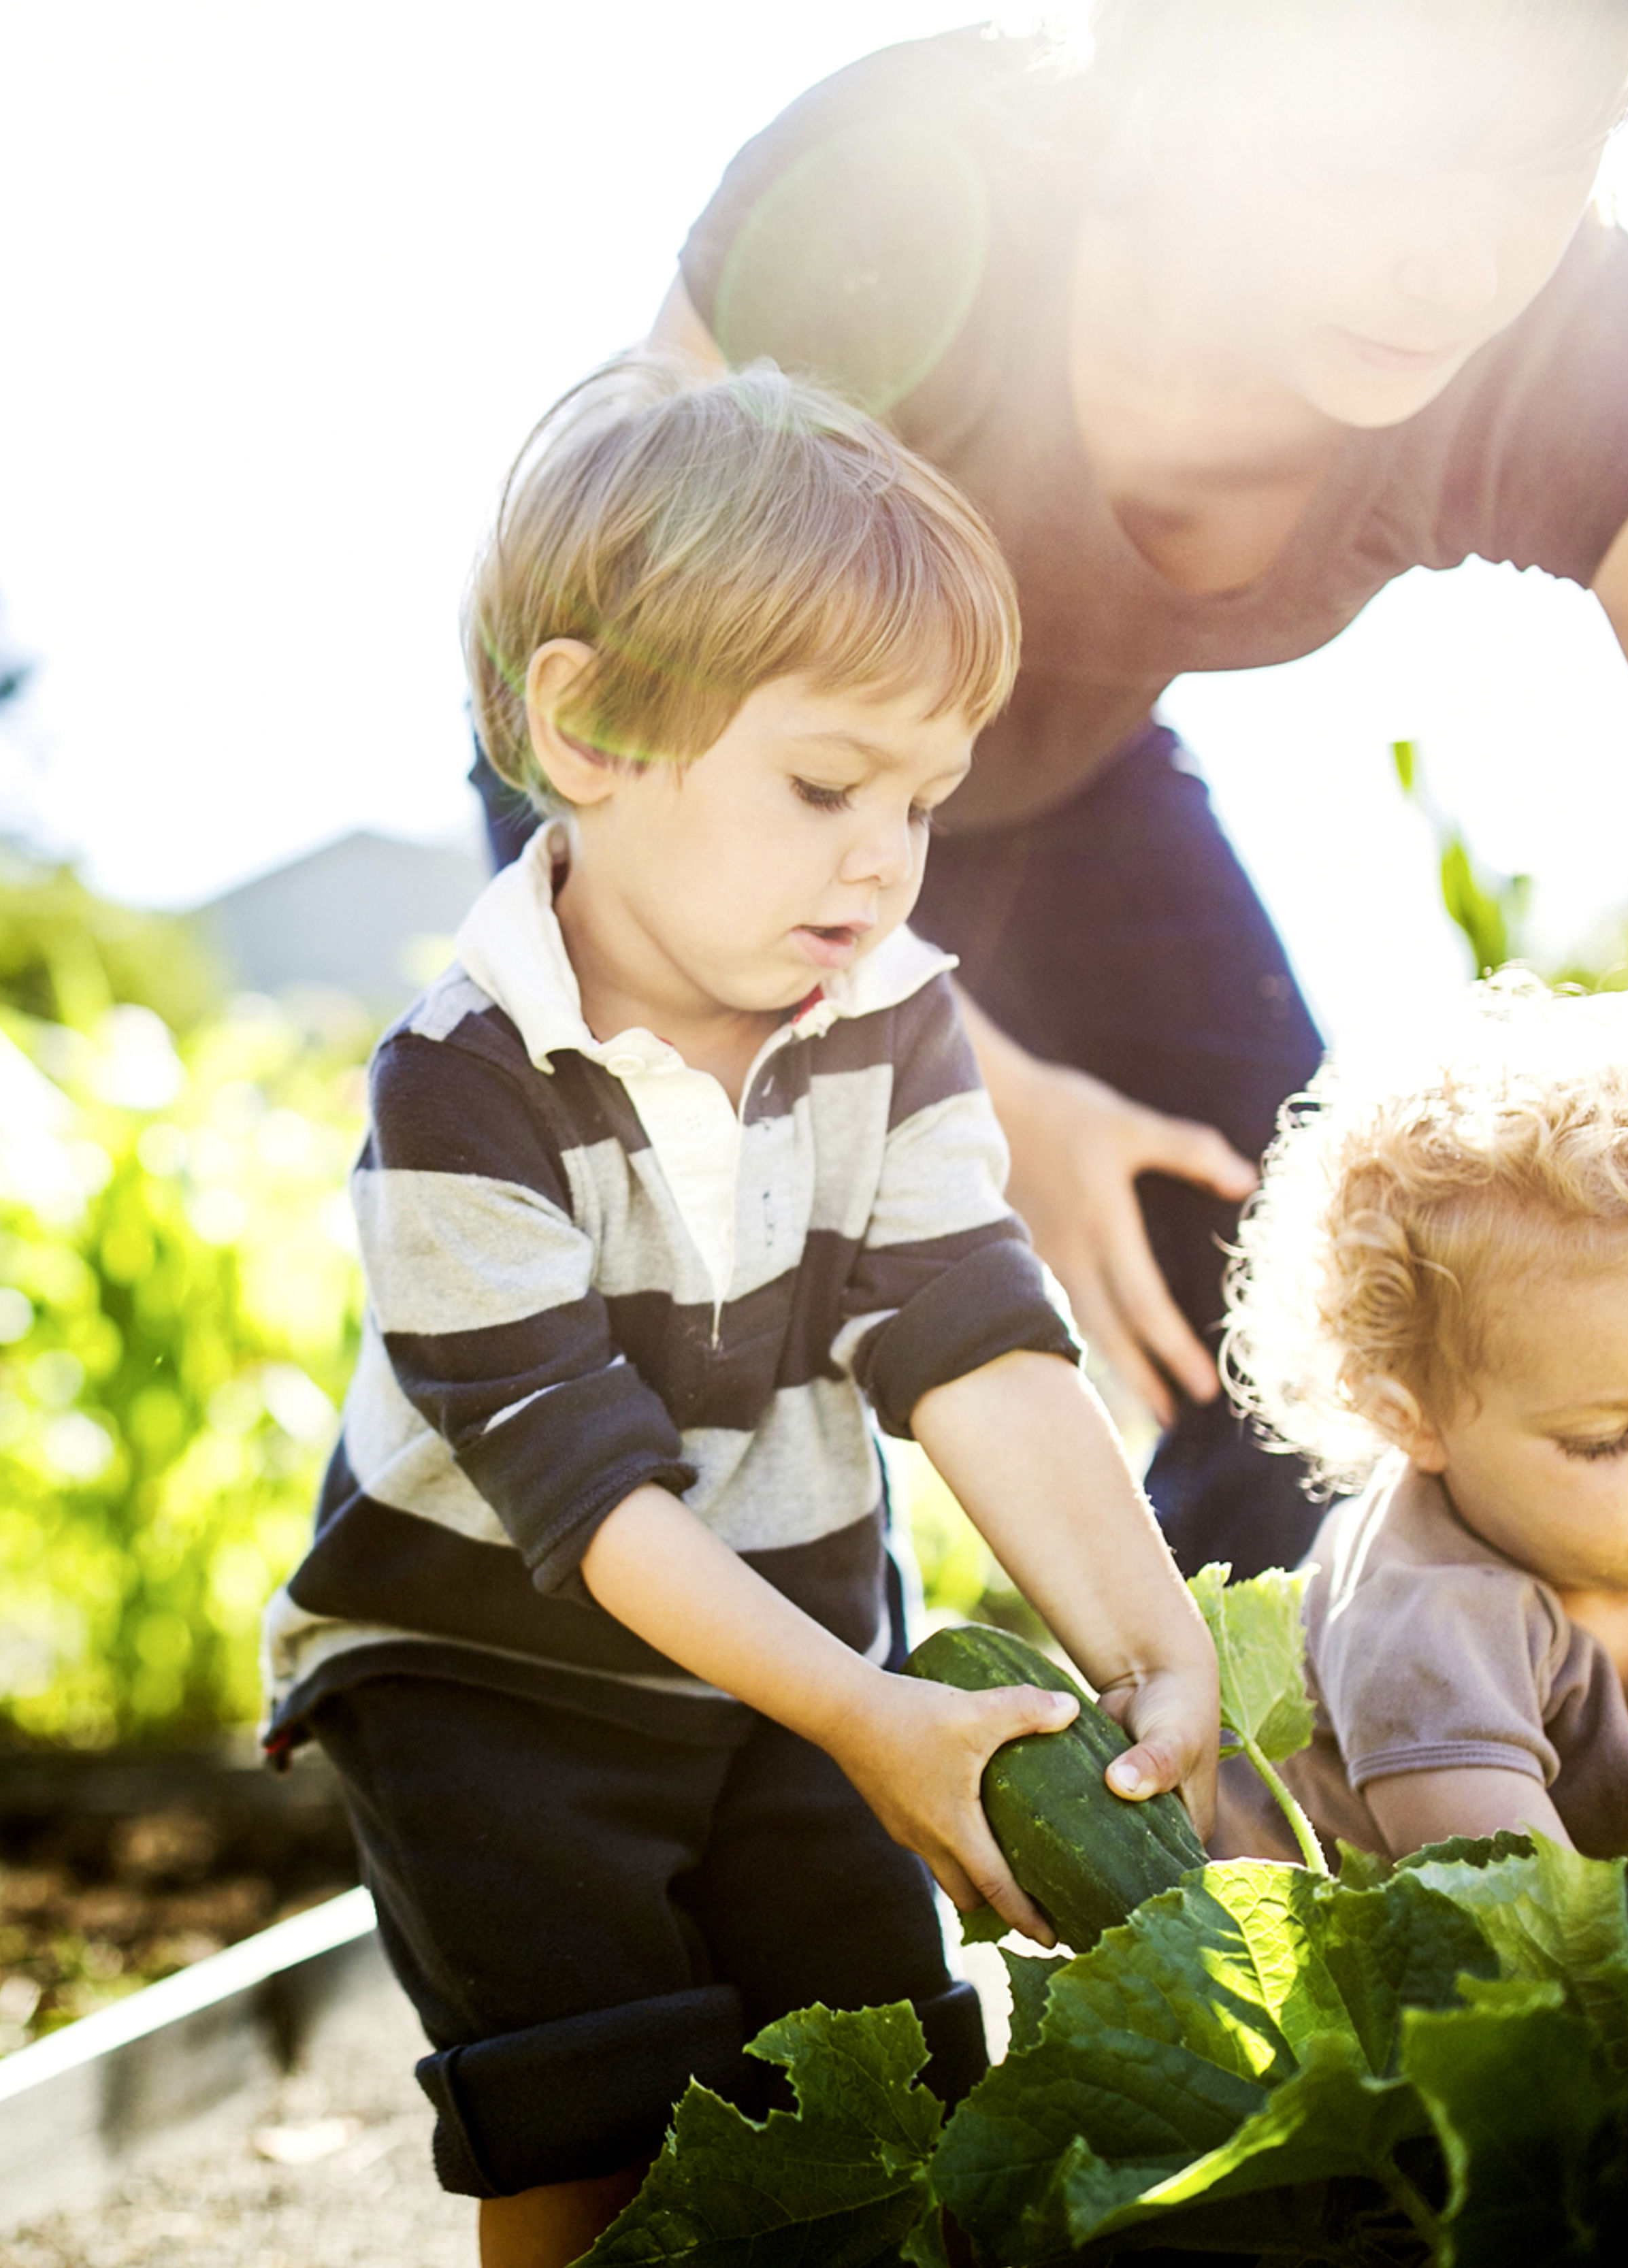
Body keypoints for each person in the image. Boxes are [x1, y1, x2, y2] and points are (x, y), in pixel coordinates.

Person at [478, 0, 1628, 1587]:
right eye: (1369, 156)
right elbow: (617, 697)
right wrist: (968, 1082)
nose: (1458, 268)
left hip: (1065, 793)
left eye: (1543, 161)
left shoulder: (1592, 363)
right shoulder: (903, 191)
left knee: (1306, 1337)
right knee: (697, 1327)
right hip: (659, 784)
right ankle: (445, 1699)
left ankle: (1250, 1791)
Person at [265, 355, 1222, 2268]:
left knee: (873, 2075)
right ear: (595, 723)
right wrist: (867, 1714)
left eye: (923, 800)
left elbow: (971, 1330)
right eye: (824, 784)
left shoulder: (890, 1021)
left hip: (793, 1635)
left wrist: (1149, 1635)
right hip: (490, 1675)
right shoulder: (457, 1084)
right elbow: (583, 1488)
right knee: (586, 2113)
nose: (884, 856)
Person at [1218, 976, 1628, 1860]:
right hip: (1390, 1951)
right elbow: (1518, 1926)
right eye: (1604, 1438)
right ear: (1416, 1423)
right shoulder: (1420, 1612)